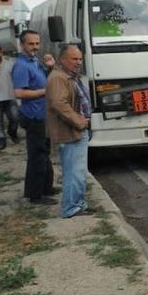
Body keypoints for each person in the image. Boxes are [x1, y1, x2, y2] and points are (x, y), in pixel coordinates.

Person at [46, 44, 93, 218]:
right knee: (74, 172)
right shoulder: (58, 78)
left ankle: (78, 204)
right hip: (70, 133)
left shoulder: (69, 76)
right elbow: (59, 104)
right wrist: (79, 122)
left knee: (79, 172)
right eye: (74, 59)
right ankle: (71, 208)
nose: (78, 62)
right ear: (63, 59)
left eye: (80, 59)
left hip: (77, 132)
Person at [12, 30, 56, 205]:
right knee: (37, 155)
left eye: (37, 43)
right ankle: (35, 195)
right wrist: (45, 92)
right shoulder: (21, 66)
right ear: (22, 44)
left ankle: (46, 187)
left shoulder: (34, 62)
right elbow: (19, 92)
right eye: (31, 44)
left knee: (44, 152)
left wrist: (50, 67)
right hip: (33, 116)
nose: (35, 47)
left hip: (42, 115)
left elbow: (44, 79)